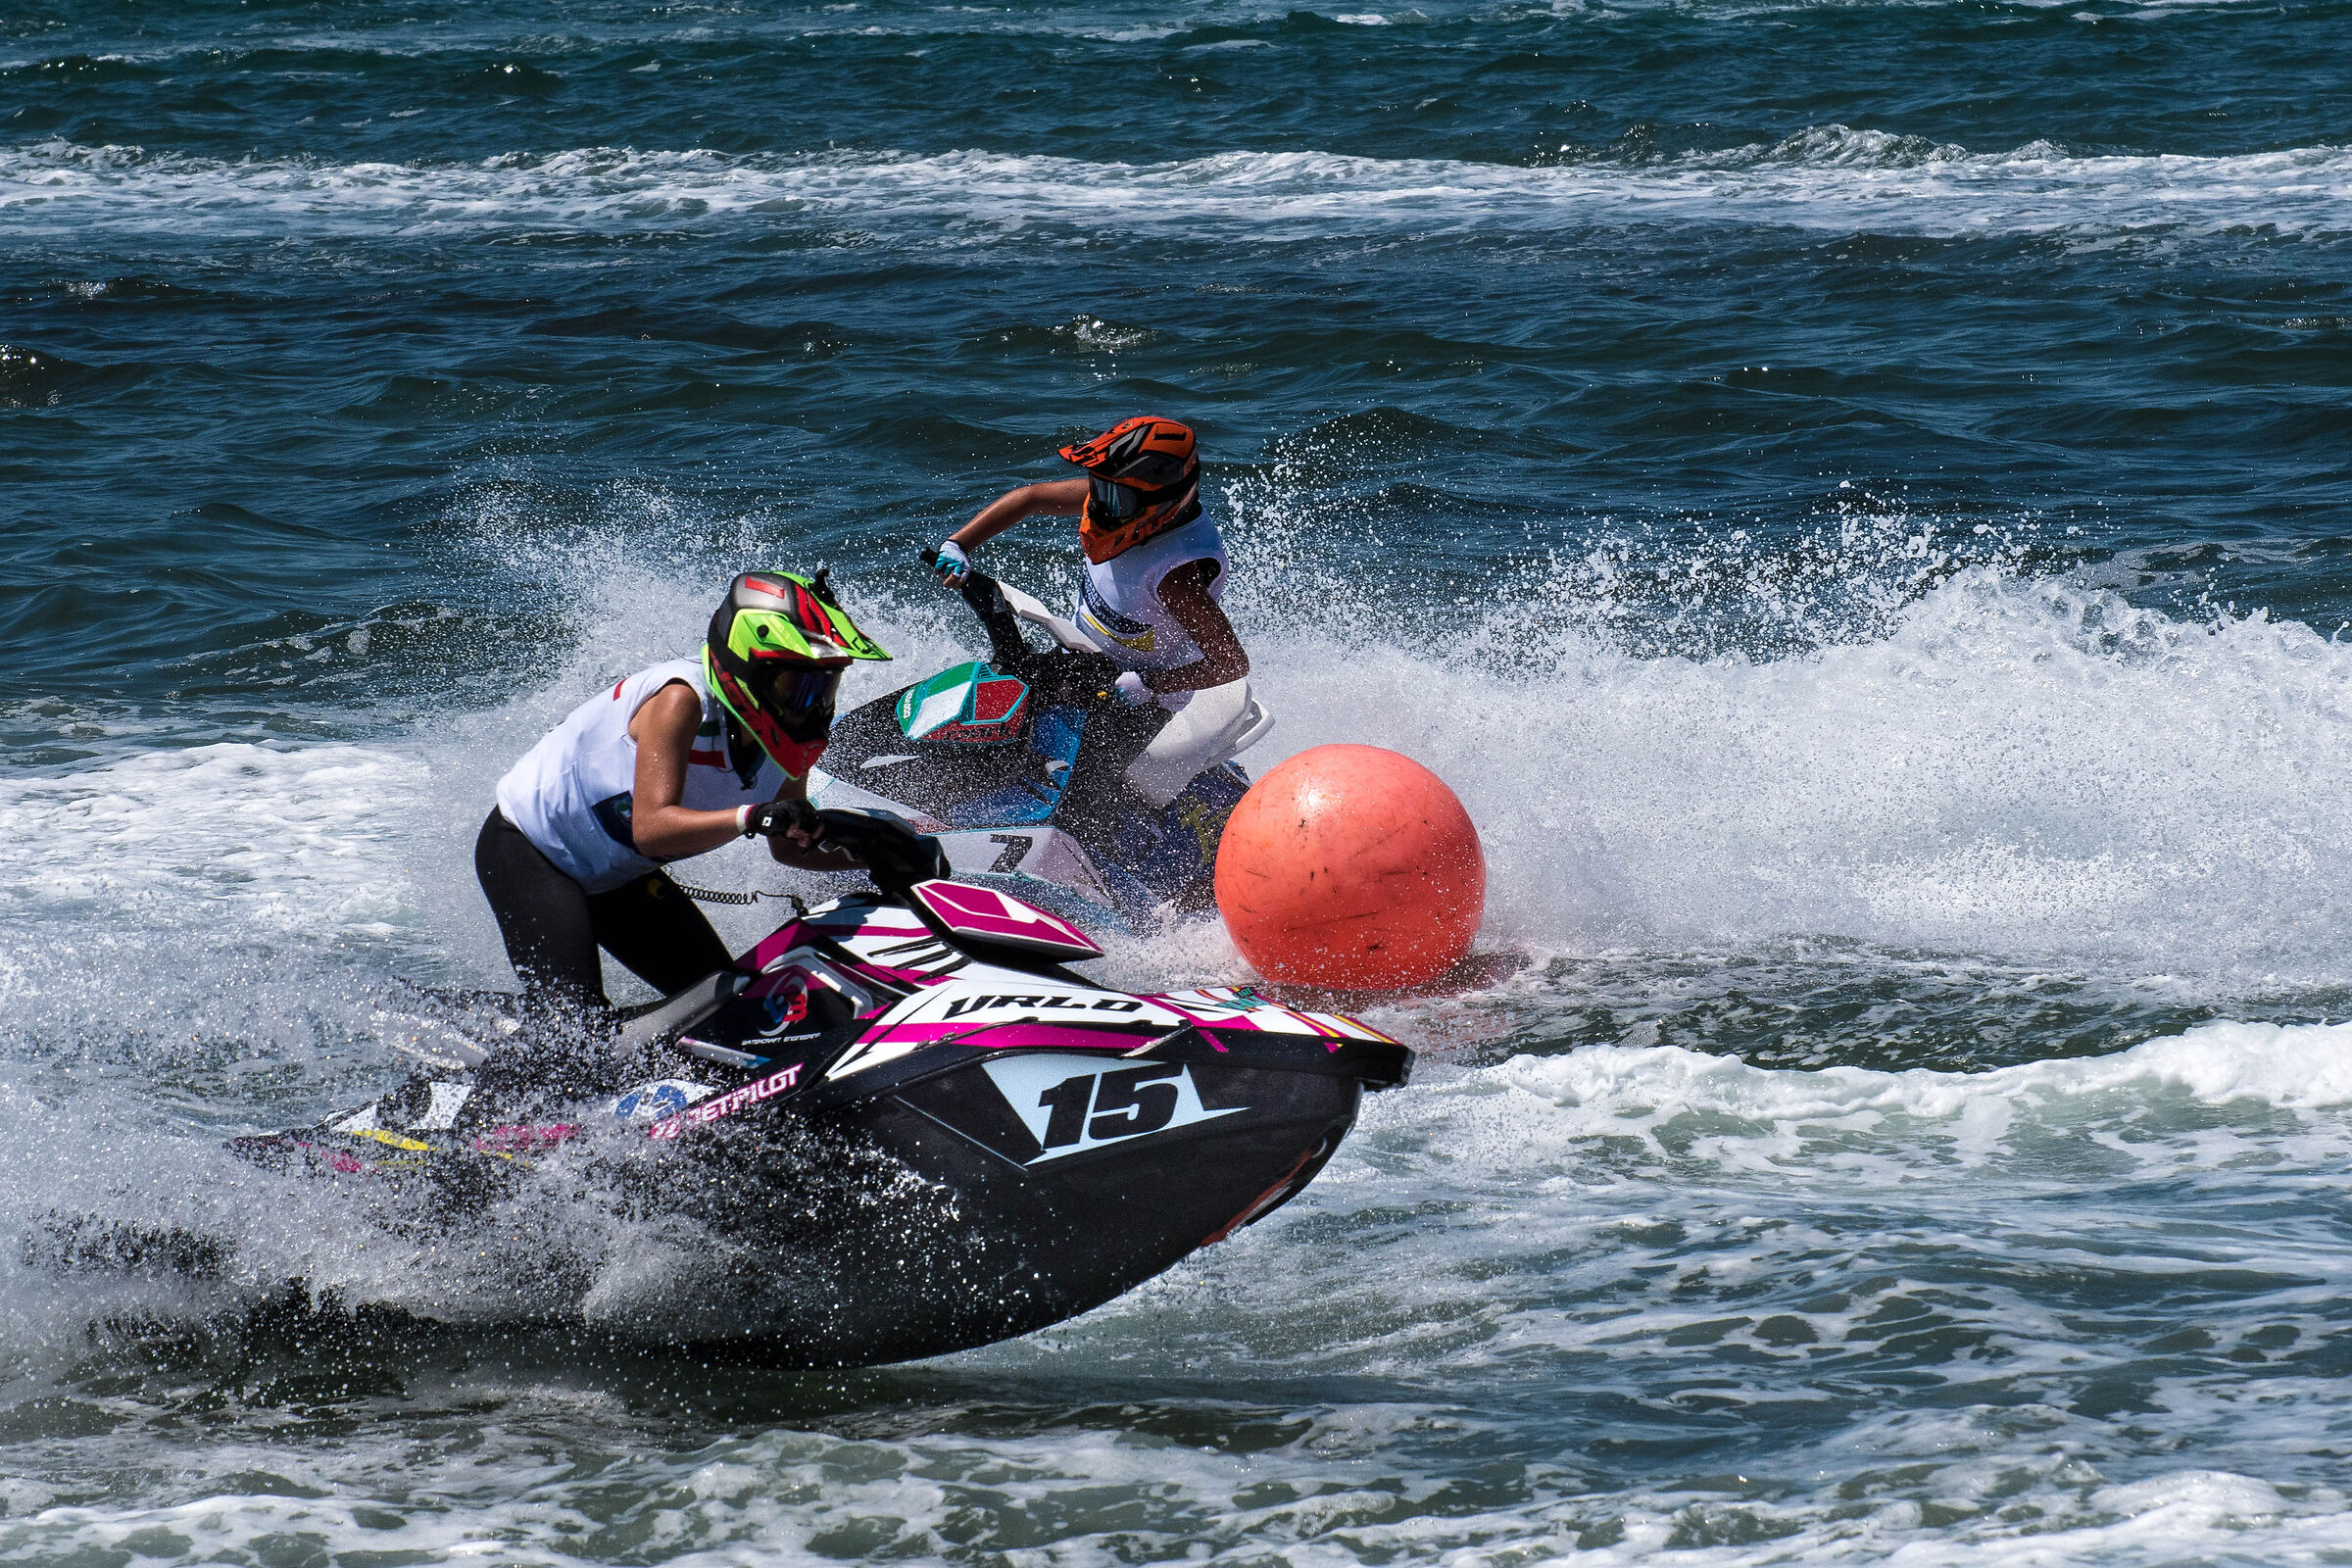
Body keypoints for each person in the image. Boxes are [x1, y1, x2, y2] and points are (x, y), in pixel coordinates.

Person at [475, 568, 889, 1013]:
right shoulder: (681, 700)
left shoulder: (789, 739)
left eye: (826, 685)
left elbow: (788, 848)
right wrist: (752, 816)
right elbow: (652, 829)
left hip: (619, 878)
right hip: (531, 853)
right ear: (750, 666)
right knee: (577, 1032)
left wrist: (883, 855)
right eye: (799, 685)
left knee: (728, 1011)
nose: (815, 704)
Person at [930, 416, 1257, 809]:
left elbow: (1231, 664)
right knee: (993, 713)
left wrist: (1150, 684)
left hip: (1140, 696)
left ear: (1166, 503)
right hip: (1085, 654)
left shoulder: (1177, 574)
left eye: (1115, 496)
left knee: (1077, 802)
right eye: (1100, 487)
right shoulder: (1118, 503)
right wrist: (959, 545)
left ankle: (1089, 853)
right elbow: (1031, 498)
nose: (1099, 503)